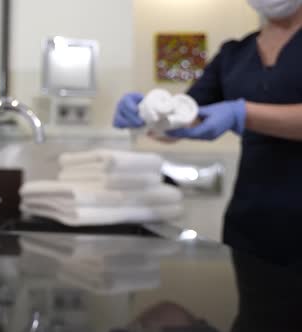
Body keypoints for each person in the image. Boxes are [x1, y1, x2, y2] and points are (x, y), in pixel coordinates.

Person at [114, 0, 302, 265]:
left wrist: (243, 113)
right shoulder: (234, 54)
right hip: (251, 221)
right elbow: (187, 116)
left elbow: (232, 113)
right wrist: (149, 114)